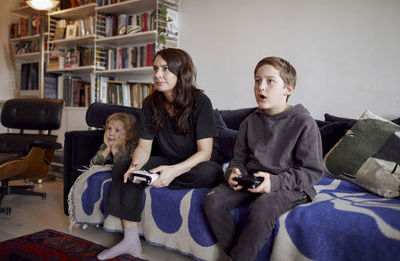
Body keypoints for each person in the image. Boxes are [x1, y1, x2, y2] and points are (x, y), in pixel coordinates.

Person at [97, 48, 224, 260]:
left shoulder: (200, 102)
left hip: (197, 163)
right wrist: (136, 166)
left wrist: (172, 172)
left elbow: (205, 152)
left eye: (165, 69)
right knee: (122, 167)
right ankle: (130, 240)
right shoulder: (150, 103)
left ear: (181, 72)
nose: (158, 74)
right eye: (156, 68)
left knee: (210, 172)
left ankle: (158, 178)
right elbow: (144, 148)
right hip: (167, 160)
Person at [204, 56, 323, 261]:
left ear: (288, 88)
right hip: (252, 178)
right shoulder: (248, 123)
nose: (261, 87)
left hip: (292, 185)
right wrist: (234, 172)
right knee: (214, 200)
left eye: (270, 81)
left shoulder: (304, 122)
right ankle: (240, 255)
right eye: (257, 80)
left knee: (263, 206)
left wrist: (274, 182)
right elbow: (238, 160)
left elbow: (311, 172)